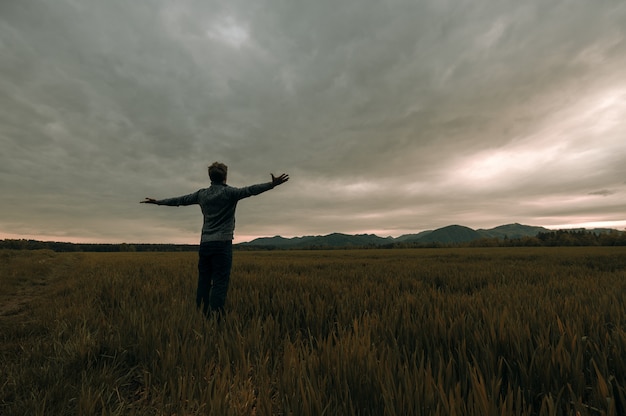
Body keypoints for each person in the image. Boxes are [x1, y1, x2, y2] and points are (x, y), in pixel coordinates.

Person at [141, 162, 289, 316]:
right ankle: (216, 319)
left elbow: (180, 200)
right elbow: (251, 190)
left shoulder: (201, 194)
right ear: (225, 176)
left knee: (204, 281)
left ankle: (201, 314)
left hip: (205, 244)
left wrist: (158, 202)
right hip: (222, 245)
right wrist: (272, 184)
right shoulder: (230, 193)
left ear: (210, 177)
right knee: (220, 282)